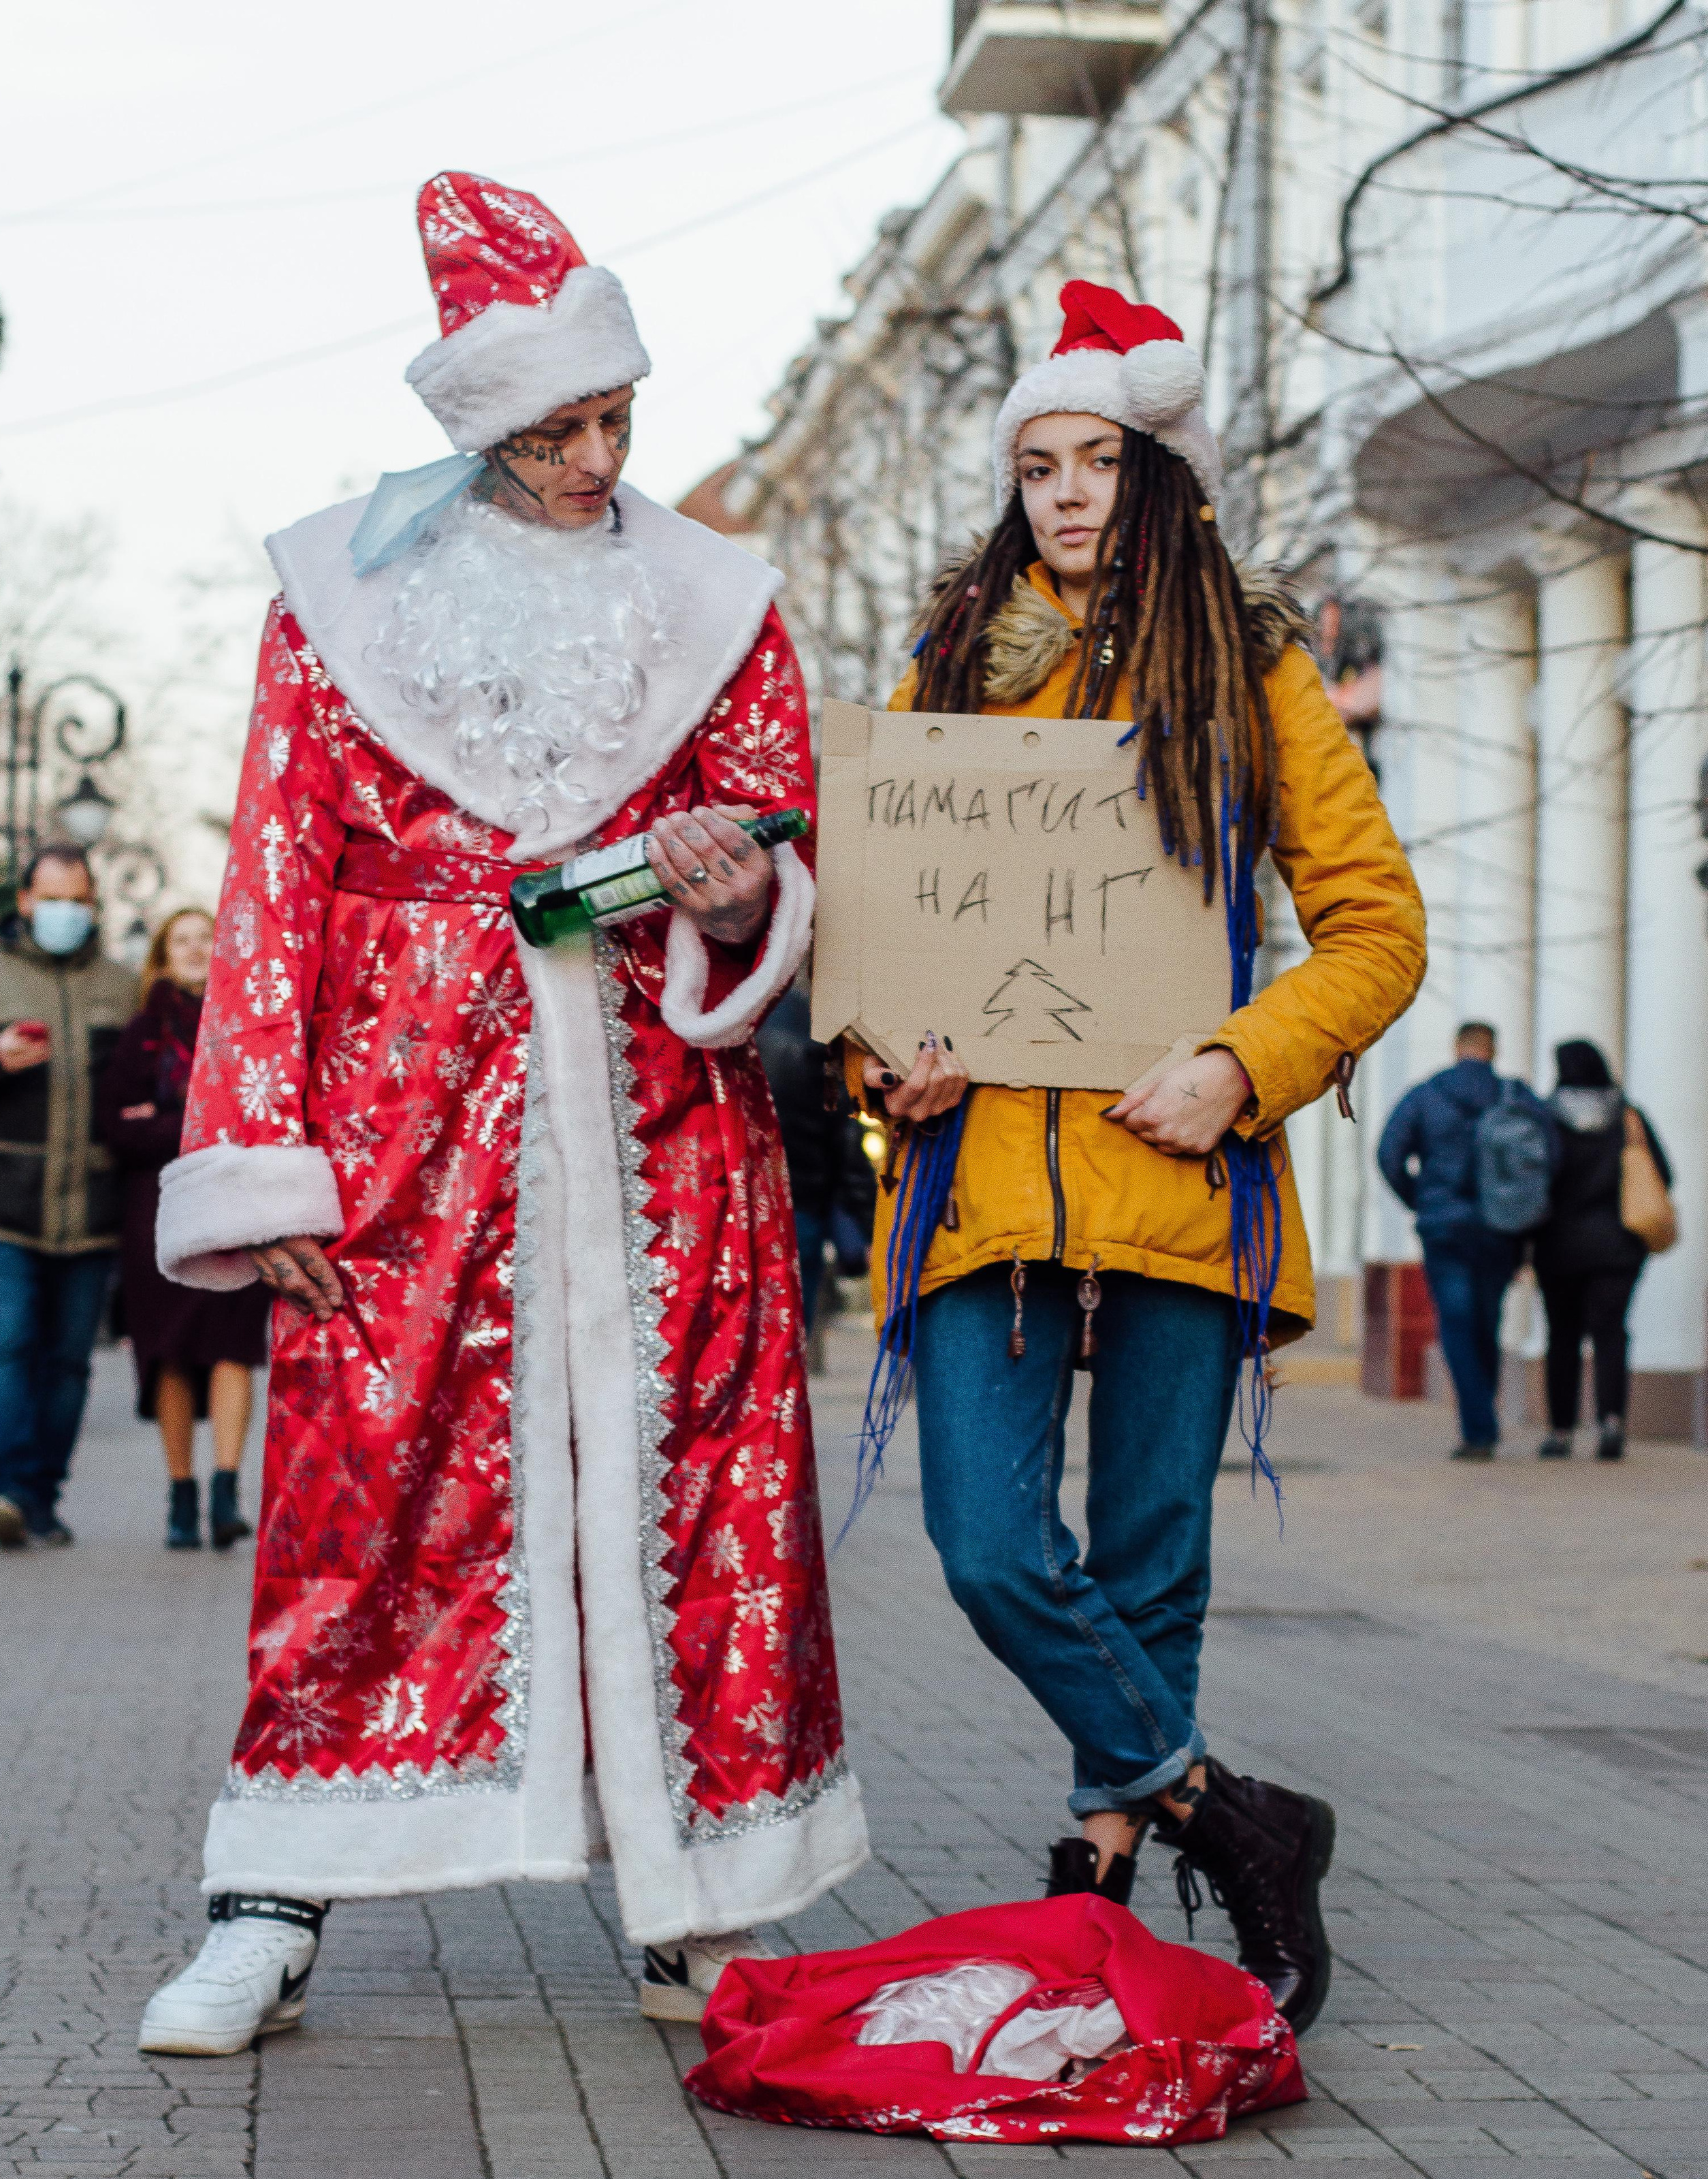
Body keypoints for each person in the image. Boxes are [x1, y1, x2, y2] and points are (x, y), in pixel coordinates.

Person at [137, 173, 861, 2059]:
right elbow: (277, 878)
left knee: (694, 1480)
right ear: (477, 422)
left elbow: (783, 834)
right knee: (361, 1491)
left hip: (663, 1120)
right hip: (401, 1119)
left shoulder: (715, 598)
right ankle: (272, 1898)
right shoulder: (341, 595)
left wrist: (728, 889)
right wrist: (258, 1159)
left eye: (616, 416)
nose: (596, 456)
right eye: (555, 428)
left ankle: (707, 1894)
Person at [842, 283, 1426, 2037]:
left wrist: (1240, 1064)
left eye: (1097, 459)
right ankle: (1235, 1818)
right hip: (983, 1187)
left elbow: (1371, 927)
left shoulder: (1248, 663)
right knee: (985, 1543)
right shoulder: (940, 669)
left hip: (1179, 1171)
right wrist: (893, 1061)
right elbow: (871, 948)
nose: (1066, 494)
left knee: (1153, 1552)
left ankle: (1100, 1869)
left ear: (1155, 471)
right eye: (1035, 466)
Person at [0, 842, 136, 1549]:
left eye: (79, 899)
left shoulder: (121, 985)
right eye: (53, 898)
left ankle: (42, 1497)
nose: (65, 911)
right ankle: (6, 1488)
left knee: (69, 1360)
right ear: (27, 901)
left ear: (91, 903)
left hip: (92, 1207)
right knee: (9, 1340)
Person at [100, 908, 268, 1548]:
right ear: (164, 956)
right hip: (157, 1210)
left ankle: (226, 1491)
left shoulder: (249, 1022)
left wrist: (168, 1118)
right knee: (167, 1350)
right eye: (185, 940)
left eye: (209, 937)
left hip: (234, 1205)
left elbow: (261, 1110)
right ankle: (181, 1494)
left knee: (232, 1346)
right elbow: (116, 1125)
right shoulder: (143, 1029)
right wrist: (195, 1126)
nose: (199, 949)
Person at [1376, 1022, 1551, 1460]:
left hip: (1445, 1228)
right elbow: (1549, 1154)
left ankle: (1479, 1429)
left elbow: (1388, 1154)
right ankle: (1481, 1421)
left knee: (1455, 1324)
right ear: (1494, 1050)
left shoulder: (1426, 1095)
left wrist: (1420, 1200)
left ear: (1458, 1048)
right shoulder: (1515, 1096)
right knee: (1486, 1324)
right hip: (1500, 1229)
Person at [1533, 1038, 1671, 1463]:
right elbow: (1663, 1174)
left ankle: (1560, 1431)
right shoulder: (1629, 1118)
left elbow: (1530, 1182)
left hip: (1557, 1247)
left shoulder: (1545, 1118)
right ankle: (1611, 1422)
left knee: (1563, 1337)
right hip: (1618, 1249)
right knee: (1611, 1333)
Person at [755, 982, 875, 1326]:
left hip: (737, 1202)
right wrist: (867, 1226)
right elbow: (847, 1145)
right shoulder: (815, 1055)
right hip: (802, 1207)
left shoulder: (728, 1045)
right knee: (792, 1325)